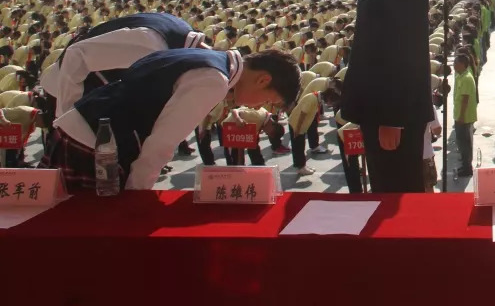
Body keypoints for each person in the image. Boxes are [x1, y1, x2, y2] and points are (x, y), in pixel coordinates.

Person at [41, 49, 301, 191]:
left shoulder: (202, 56)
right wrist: (137, 194)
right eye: (268, 101)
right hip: (93, 147)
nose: (258, 106)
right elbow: (162, 144)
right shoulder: (213, 80)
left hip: (80, 128)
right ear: (263, 80)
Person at [340, 0, 432, 193]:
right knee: (384, 190)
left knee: (396, 194)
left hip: (393, 116)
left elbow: (405, 54)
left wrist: (392, 119)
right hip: (380, 110)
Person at [40, 12, 208, 117]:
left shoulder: (180, 30)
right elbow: (75, 55)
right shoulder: (152, 44)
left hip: (96, 94)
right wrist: (67, 117)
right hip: (66, 90)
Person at [453, 53, 477, 178]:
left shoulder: (467, 78)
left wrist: (462, 115)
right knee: (462, 142)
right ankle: (465, 164)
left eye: (456, 63)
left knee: (465, 143)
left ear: (462, 64)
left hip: (465, 116)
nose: (454, 65)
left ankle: (467, 167)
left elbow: (465, 99)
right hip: (459, 115)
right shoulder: (460, 76)